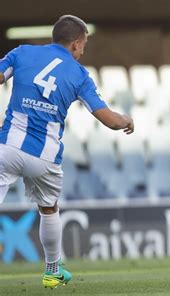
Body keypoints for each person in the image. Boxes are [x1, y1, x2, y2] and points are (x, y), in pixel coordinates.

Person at [0, 15, 134, 289]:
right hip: (44, 157)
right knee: (49, 209)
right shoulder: (79, 74)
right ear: (75, 44)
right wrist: (126, 120)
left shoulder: (22, 52)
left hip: (7, 147)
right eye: (84, 44)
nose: (83, 50)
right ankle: (52, 270)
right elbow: (108, 120)